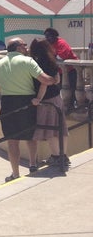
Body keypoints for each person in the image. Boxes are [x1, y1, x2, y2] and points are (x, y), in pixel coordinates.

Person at [0, 37, 58, 182]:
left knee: (12, 140)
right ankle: (33, 164)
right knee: (31, 136)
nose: (26, 48)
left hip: (8, 103)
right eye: (24, 45)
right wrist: (54, 79)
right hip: (27, 102)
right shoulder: (27, 61)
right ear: (18, 48)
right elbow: (44, 80)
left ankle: (15, 173)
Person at [30, 38, 70, 168]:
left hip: (47, 101)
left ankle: (56, 157)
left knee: (50, 130)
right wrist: (51, 81)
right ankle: (63, 155)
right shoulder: (52, 61)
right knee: (61, 128)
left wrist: (38, 99)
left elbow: (43, 84)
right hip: (57, 97)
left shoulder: (37, 63)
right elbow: (57, 79)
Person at [44, 28, 79, 110]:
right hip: (59, 71)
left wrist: (51, 56)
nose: (47, 38)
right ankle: (64, 105)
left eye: (49, 36)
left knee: (71, 89)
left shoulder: (61, 43)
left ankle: (72, 106)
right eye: (46, 37)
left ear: (54, 36)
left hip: (70, 70)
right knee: (61, 89)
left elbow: (62, 56)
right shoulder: (49, 44)